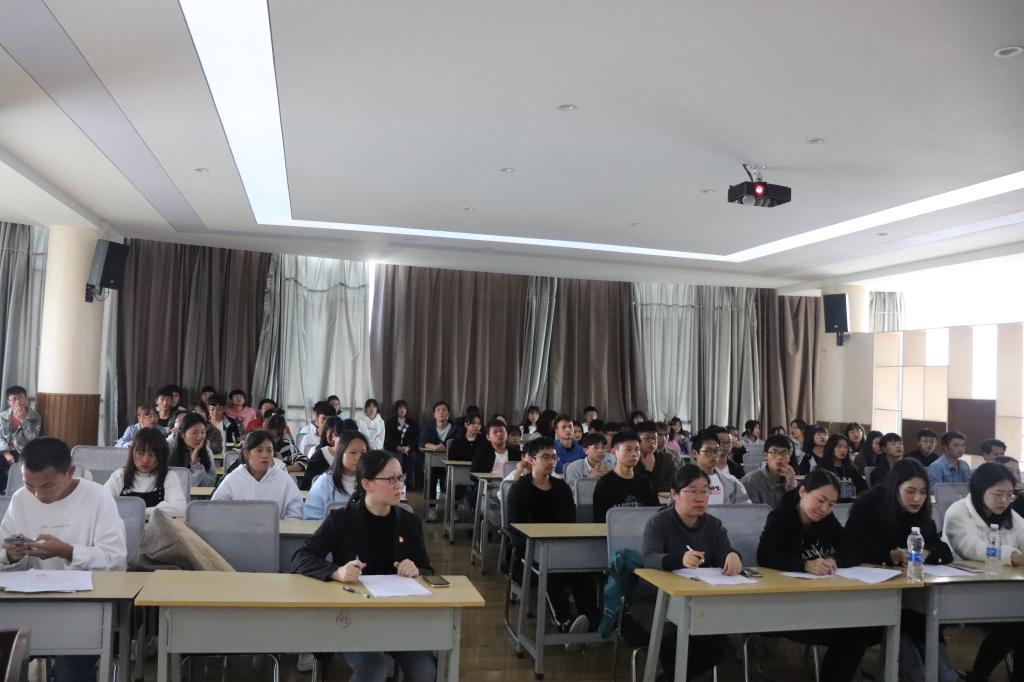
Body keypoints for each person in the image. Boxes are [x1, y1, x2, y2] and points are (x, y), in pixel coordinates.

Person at [292, 450, 435, 682]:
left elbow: (427, 568)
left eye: (400, 477)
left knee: (424, 670)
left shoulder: (409, 521)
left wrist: (416, 569)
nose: (399, 485)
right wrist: (336, 572)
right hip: (353, 617)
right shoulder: (341, 519)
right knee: (374, 668)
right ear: (367, 483)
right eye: (391, 479)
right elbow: (301, 556)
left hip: (398, 616)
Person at [1, 437, 128, 682]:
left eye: (47, 486)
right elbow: (3, 549)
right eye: (29, 485)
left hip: (85, 604)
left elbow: (115, 560)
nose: (37, 494)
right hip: (29, 602)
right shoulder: (20, 499)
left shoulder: (97, 497)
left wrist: (67, 551)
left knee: (71, 671)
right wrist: (10, 555)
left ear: (70, 472)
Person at [757, 468, 881, 682]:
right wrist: (804, 565)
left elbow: (853, 550)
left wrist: (834, 560)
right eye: (821, 500)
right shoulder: (780, 517)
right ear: (802, 492)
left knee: (866, 628)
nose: (825, 509)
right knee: (853, 634)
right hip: (786, 604)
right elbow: (765, 556)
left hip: (823, 600)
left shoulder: (826, 519)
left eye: (832, 504)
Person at [846, 458, 957, 682]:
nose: (917, 499)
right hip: (872, 593)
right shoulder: (868, 505)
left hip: (911, 595)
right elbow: (852, 550)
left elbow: (944, 551)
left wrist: (927, 553)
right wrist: (889, 556)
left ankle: (940, 674)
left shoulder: (920, 515)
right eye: (910, 492)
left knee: (924, 621)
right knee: (909, 626)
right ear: (895, 488)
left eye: (923, 492)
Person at [630, 465, 736, 679]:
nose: (700, 498)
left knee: (717, 641)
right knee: (674, 640)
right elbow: (650, 558)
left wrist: (732, 556)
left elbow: (724, 550)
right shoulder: (659, 522)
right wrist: (679, 559)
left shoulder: (713, 525)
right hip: (656, 601)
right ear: (675, 495)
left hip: (698, 599)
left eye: (704, 491)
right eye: (692, 491)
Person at [506, 438, 600, 634]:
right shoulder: (519, 489)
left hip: (561, 548)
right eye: (545, 457)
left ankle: (592, 623)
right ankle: (564, 623)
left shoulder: (561, 488)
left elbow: (569, 524)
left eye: (554, 457)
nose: (551, 462)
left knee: (584, 570)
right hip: (527, 552)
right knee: (548, 570)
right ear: (532, 460)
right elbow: (515, 528)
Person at [943, 462, 1024, 682]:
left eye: (1009, 495)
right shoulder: (958, 512)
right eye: (998, 494)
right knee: (1016, 622)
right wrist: (1012, 556)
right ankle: (980, 675)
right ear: (980, 490)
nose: (1004, 500)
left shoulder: (1010, 516)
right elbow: (972, 548)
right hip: (961, 593)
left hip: (1003, 590)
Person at [212, 430, 303, 519]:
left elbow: (295, 512)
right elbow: (216, 510)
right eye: (259, 450)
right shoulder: (233, 479)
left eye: (269, 450)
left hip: (277, 529)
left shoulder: (283, 479)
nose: (265, 455)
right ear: (247, 454)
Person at [105, 427, 187, 518]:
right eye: (140, 453)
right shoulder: (120, 475)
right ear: (132, 453)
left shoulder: (169, 476)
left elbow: (180, 509)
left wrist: (138, 512)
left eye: (151, 455)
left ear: (161, 456)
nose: (145, 460)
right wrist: (159, 509)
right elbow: (102, 503)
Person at [592, 430, 659, 522]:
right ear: (614, 452)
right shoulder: (604, 484)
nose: (634, 454)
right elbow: (600, 519)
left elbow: (655, 513)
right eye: (628, 449)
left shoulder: (645, 482)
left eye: (637, 449)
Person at [303, 430, 368, 520]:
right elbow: (310, 518)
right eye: (353, 452)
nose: (358, 457)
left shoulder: (373, 482)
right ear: (340, 454)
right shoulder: (324, 483)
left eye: (363, 453)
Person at [419, 401, 462, 522]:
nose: (441, 412)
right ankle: (431, 507)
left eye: (444, 410)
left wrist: (448, 447)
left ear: (448, 414)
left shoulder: (456, 429)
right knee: (431, 476)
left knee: (456, 478)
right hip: (433, 463)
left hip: (451, 463)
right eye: (438, 410)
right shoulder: (428, 427)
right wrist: (434, 447)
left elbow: (460, 444)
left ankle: (454, 508)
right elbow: (422, 443)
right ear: (434, 414)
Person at [0, 385, 41, 492]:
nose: (18, 402)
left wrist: (23, 420)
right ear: (8, 402)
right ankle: (3, 490)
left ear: (26, 399)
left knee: (26, 467)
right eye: (14, 399)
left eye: (21, 398)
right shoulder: (3, 416)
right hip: (4, 451)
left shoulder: (34, 417)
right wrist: (6, 453)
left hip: (23, 452)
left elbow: (33, 439)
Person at [740, 433, 798, 507]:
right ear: (765, 456)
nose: (779, 457)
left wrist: (792, 487)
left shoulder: (792, 481)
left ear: (789, 457)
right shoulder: (750, 481)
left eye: (784, 452)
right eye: (774, 452)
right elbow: (751, 512)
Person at [692, 430, 749, 505]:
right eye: (708, 451)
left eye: (716, 451)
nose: (713, 455)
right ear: (695, 453)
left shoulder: (732, 482)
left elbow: (746, 509)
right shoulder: (684, 481)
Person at [167, 412, 216, 486]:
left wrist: (196, 464)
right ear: (182, 434)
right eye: (194, 433)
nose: (200, 437)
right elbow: (181, 487)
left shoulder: (207, 451)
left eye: (203, 432)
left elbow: (210, 483)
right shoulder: (170, 449)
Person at [819, 434, 867, 502]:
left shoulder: (852, 469)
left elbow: (863, 489)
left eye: (846, 447)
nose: (843, 450)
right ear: (831, 448)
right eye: (839, 446)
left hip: (851, 504)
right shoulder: (823, 469)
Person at [384, 400, 420, 487]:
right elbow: (387, 439)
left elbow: (415, 439)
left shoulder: (413, 423)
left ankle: (409, 484)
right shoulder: (390, 422)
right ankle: (396, 483)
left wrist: (408, 447)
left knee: (412, 457)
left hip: (408, 450)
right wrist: (397, 447)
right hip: (394, 449)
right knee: (397, 457)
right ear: (396, 409)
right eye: (400, 408)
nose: (402, 410)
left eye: (404, 408)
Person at [301, 416, 342, 490]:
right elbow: (307, 483)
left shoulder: (346, 455)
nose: (334, 438)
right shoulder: (317, 453)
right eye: (331, 433)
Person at [634, 421, 675, 493]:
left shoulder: (667, 459)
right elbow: (636, 487)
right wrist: (648, 470)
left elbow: (673, 485)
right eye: (647, 438)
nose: (652, 442)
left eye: (654, 438)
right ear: (637, 441)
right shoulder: (632, 460)